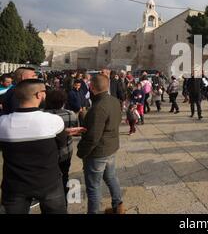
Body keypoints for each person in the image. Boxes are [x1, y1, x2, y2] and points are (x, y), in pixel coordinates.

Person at [0, 79, 67, 214]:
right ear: (39, 95)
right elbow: (62, 144)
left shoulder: (2, 122)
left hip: (15, 184)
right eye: (44, 92)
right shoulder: (53, 120)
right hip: (49, 182)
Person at [77, 74, 125, 214]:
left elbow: (93, 137)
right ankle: (118, 206)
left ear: (91, 87)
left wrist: (81, 152)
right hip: (111, 147)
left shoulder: (98, 107)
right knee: (111, 177)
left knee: (93, 186)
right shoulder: (114, 100)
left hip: (99, 152)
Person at [44, 89, 82, 202]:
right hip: (66, 150)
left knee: (48, 176)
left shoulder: (42, 115)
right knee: (64, 174)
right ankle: (64, 197)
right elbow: (76, 130)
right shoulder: (71, 114)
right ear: (64, 101)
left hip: (48, 152)